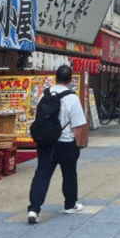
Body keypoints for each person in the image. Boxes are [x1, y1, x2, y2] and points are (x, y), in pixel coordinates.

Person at [27, 65, 88, 224]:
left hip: (45, 142)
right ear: (70, 79)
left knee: (41, 174)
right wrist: (78, 144)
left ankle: (34, 209)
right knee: (69, 174)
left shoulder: (44, 95)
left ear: (55, 78)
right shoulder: (72, 98)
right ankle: (70, 204)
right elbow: (78, 126)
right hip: (66, 143)